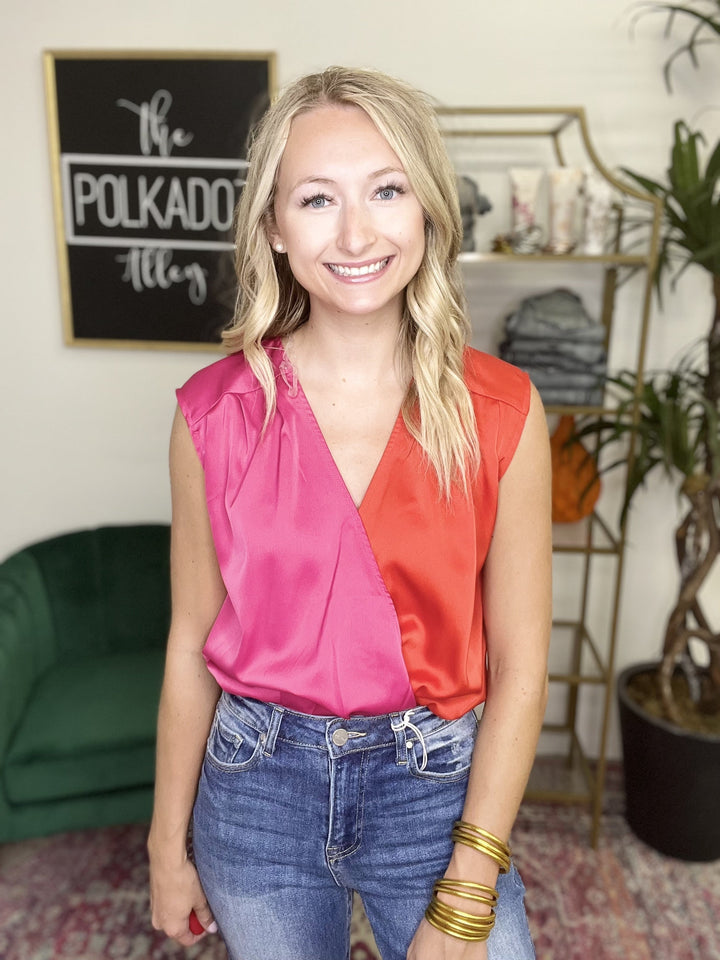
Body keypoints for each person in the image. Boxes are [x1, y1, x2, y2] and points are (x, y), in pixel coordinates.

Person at [148, 66, 551, 960]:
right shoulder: (212, 416)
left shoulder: (504, 413)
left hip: (435, 788)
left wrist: (472, 882)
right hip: (256, 790)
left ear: (429, 212)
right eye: (319, 198)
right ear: (276, 230)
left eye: (387, 189)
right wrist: (163, 848)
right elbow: (189, 645)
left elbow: (521, 667)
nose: (358, 232)